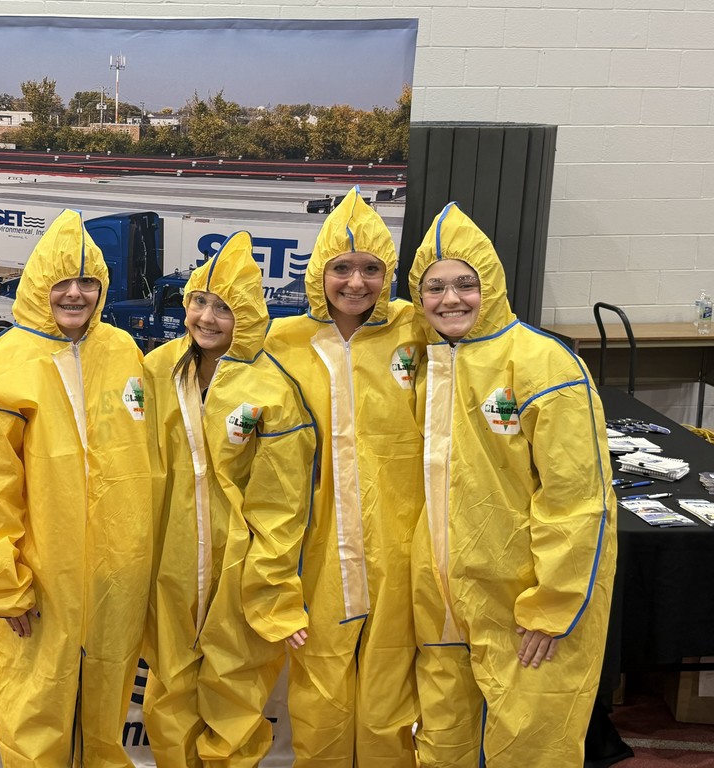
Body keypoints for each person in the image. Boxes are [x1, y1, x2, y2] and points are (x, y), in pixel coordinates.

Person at [407, 201, 616, 767]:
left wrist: (552, 605)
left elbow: (579, 500)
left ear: (491, 285)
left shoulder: (544, 364)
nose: (450, 299)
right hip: (445, 597)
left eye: (466, 284)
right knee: (444, 734)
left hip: (522, 600)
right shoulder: (432, 360)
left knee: (529, 740)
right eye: (434, 287)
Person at [0, 209, 151, 767]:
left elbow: (148, 459)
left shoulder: (123, 351)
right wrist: (3, 583)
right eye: (61, 281)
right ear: (37, 283)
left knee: (107, 714)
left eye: (88, 281)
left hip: (117, 576)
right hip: (42, 580)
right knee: (36, 714)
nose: (75, 294)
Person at [141, 230, 315, 767]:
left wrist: (271, 584)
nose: (207, 317)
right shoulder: (159, 369)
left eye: (224, 307)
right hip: (169, 559)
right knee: (169, 685)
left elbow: (282, 502)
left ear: (249, 316)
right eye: (199, 301)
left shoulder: (271, 389)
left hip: (238, 564)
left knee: (235, 686)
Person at [264, 187, 423, 766]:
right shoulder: (281, 343)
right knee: (320, 696)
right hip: (317, 550)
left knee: (394, 693)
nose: (356, 282)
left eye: (371, 269)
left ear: (390, 273)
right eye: (342, 268)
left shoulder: (416, 332)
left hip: (400, 545)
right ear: (320, 272)